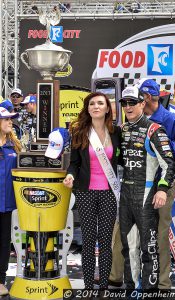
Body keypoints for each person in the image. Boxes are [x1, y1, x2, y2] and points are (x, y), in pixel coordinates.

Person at [63, 92, 122, 291]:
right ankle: (88, 287)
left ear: (107, 108)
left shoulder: (116, 132)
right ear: (87, 109)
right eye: (92, 104)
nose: (96, 106)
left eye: (100, 103)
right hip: (86, 192)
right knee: (88, 241)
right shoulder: (80, 131)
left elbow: (121, 161)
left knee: (106, 241)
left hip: (108, 193)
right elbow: (74, 164)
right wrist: (70, 176)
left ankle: (104, 287)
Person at [119, 86, 175, 290]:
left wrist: (162, 189)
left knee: (148, 247)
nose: (128, 107)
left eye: (132, 102)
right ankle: (131, 287)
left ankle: (150, 290)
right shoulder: (122, 129)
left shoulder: (154, 129)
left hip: (146, 195)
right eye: (124, 103)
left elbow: (169, 162)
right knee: (128, 246)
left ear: (143, 103)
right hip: (125, 195)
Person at [138, 79, 175, 289]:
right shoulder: (135, 117)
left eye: (140, 97)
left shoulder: (170, 119)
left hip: (162, 184)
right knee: (132, 233)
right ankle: (134, 278)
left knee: (160, 234)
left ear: (147, 97)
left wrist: (161, 145)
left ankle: (163, 283)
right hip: (137, 183)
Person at [0, 107, 21, 296]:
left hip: (7, 205)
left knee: (5, 244)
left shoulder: (15, 146)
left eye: (11, 119)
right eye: (5, 119)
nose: (10, 122)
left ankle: (0, 280)